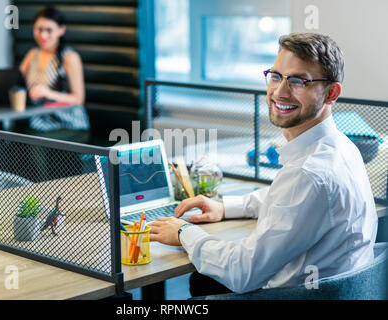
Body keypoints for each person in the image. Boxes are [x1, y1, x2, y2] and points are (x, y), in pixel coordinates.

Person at [149, 33, 378, 297]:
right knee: (203, 280)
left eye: (299, 81)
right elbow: (288, 200)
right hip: (334, 290)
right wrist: (225, 207)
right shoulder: (340, 147)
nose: (279, 91)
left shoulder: (308, 173)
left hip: (292, 295)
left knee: (202, 279)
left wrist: (184, 232)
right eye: (276, 76)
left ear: (331, 93)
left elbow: (242, 273)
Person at [19, 6, 88, 131]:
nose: (43, 35)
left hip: (68, 124)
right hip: (38, 122)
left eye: (49, 30)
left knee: (30, 141)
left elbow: (78, 99)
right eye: (39, 29)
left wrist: (49, 93)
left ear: (61, 30)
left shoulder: (69, 57)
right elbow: (14, 82)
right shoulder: (32, 55)